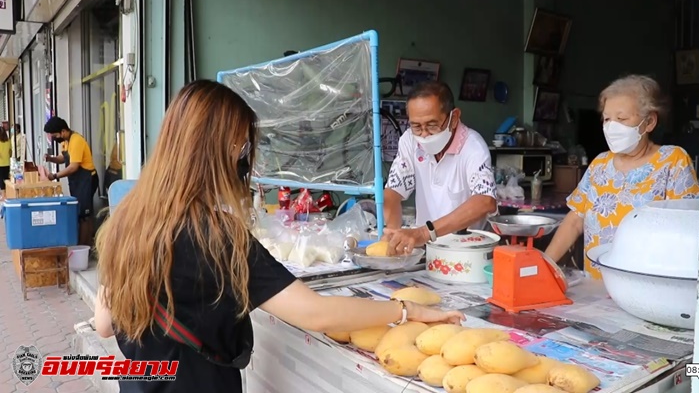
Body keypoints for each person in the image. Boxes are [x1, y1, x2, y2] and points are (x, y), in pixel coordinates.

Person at [92, 80, 464, 393]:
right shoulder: (218, 237)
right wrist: (406, 309)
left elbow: (104, 326)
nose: (245, 159)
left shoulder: (128, 217)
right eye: (242, 147)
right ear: (221, 152)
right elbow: (317, 314)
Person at [544, 75, 699, 279]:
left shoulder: (672, 161)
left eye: (622, 118)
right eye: (607, 119)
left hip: (646, 288)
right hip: (596, 289)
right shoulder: (599, 165)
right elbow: (575, 221)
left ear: (649, 122)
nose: (612, 126)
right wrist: (543, 265)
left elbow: (687, 229)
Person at [382, 81, 497, 256]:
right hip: (426, 251)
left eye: (432, 125)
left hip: (466, 253)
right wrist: (393, 233)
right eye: (416, 126)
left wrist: (423, 232)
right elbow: (393, 192)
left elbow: (485, 201)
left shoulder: (473, 147)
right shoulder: (409, 140)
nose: (424, 134)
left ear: (454, 117)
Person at [43, 117, 98, 247]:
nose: (55, 138)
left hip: (87, 180)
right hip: (77, 182)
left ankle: (84, 246)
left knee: (85, 215)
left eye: (55, 135)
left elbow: (73, 166)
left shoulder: (76, 140)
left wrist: (54, 176)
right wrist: (51, 159)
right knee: (81, 213)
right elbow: (64, 158)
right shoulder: (66, 142)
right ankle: (86, 245)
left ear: (63, 131)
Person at [0, 126, 12, 197]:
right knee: (6, 179)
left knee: (1, 180)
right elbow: (10, 152)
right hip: (7, 163)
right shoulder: (8, 141)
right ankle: (7, 194)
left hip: (0, 163)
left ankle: (3, 195)